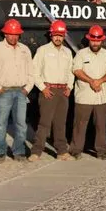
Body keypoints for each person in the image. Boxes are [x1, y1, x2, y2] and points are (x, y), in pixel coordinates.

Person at [0, 19, 34, 163]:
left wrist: (27, 89)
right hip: (3, 92)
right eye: (11, 34)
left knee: (21, 125)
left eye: (16, 34)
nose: (14, 37)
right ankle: (0, 152)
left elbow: (31, 71)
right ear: (5, 34)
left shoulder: (25, 49)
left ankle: (18, 151)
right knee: (1, 124)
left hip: (21, 91)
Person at [30, 20, 74, 161]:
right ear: (51, 35)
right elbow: (34, 71)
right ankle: (36, 151)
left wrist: (70, 87)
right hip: (48, 90)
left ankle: (61, 151)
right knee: (44, 123)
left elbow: (71, 71)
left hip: (63, 91)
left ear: (64, 36)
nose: (58, 38)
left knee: (61, 123)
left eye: (60, 35)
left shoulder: (67, 52)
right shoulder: (42, 50)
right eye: (55, 34)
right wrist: (42, 88)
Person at [71, 25, 106, 159]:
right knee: (80, 124)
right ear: (89, 39)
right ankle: (75, 150)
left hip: (101, 96)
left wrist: (99, 81)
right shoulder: (81, 54)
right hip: (84, 96)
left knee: (101, 125)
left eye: (98, 40)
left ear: (102, 40)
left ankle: (101, 151)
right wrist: (91, 81)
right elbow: (77, 70)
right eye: (93, 40)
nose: (95, 43)